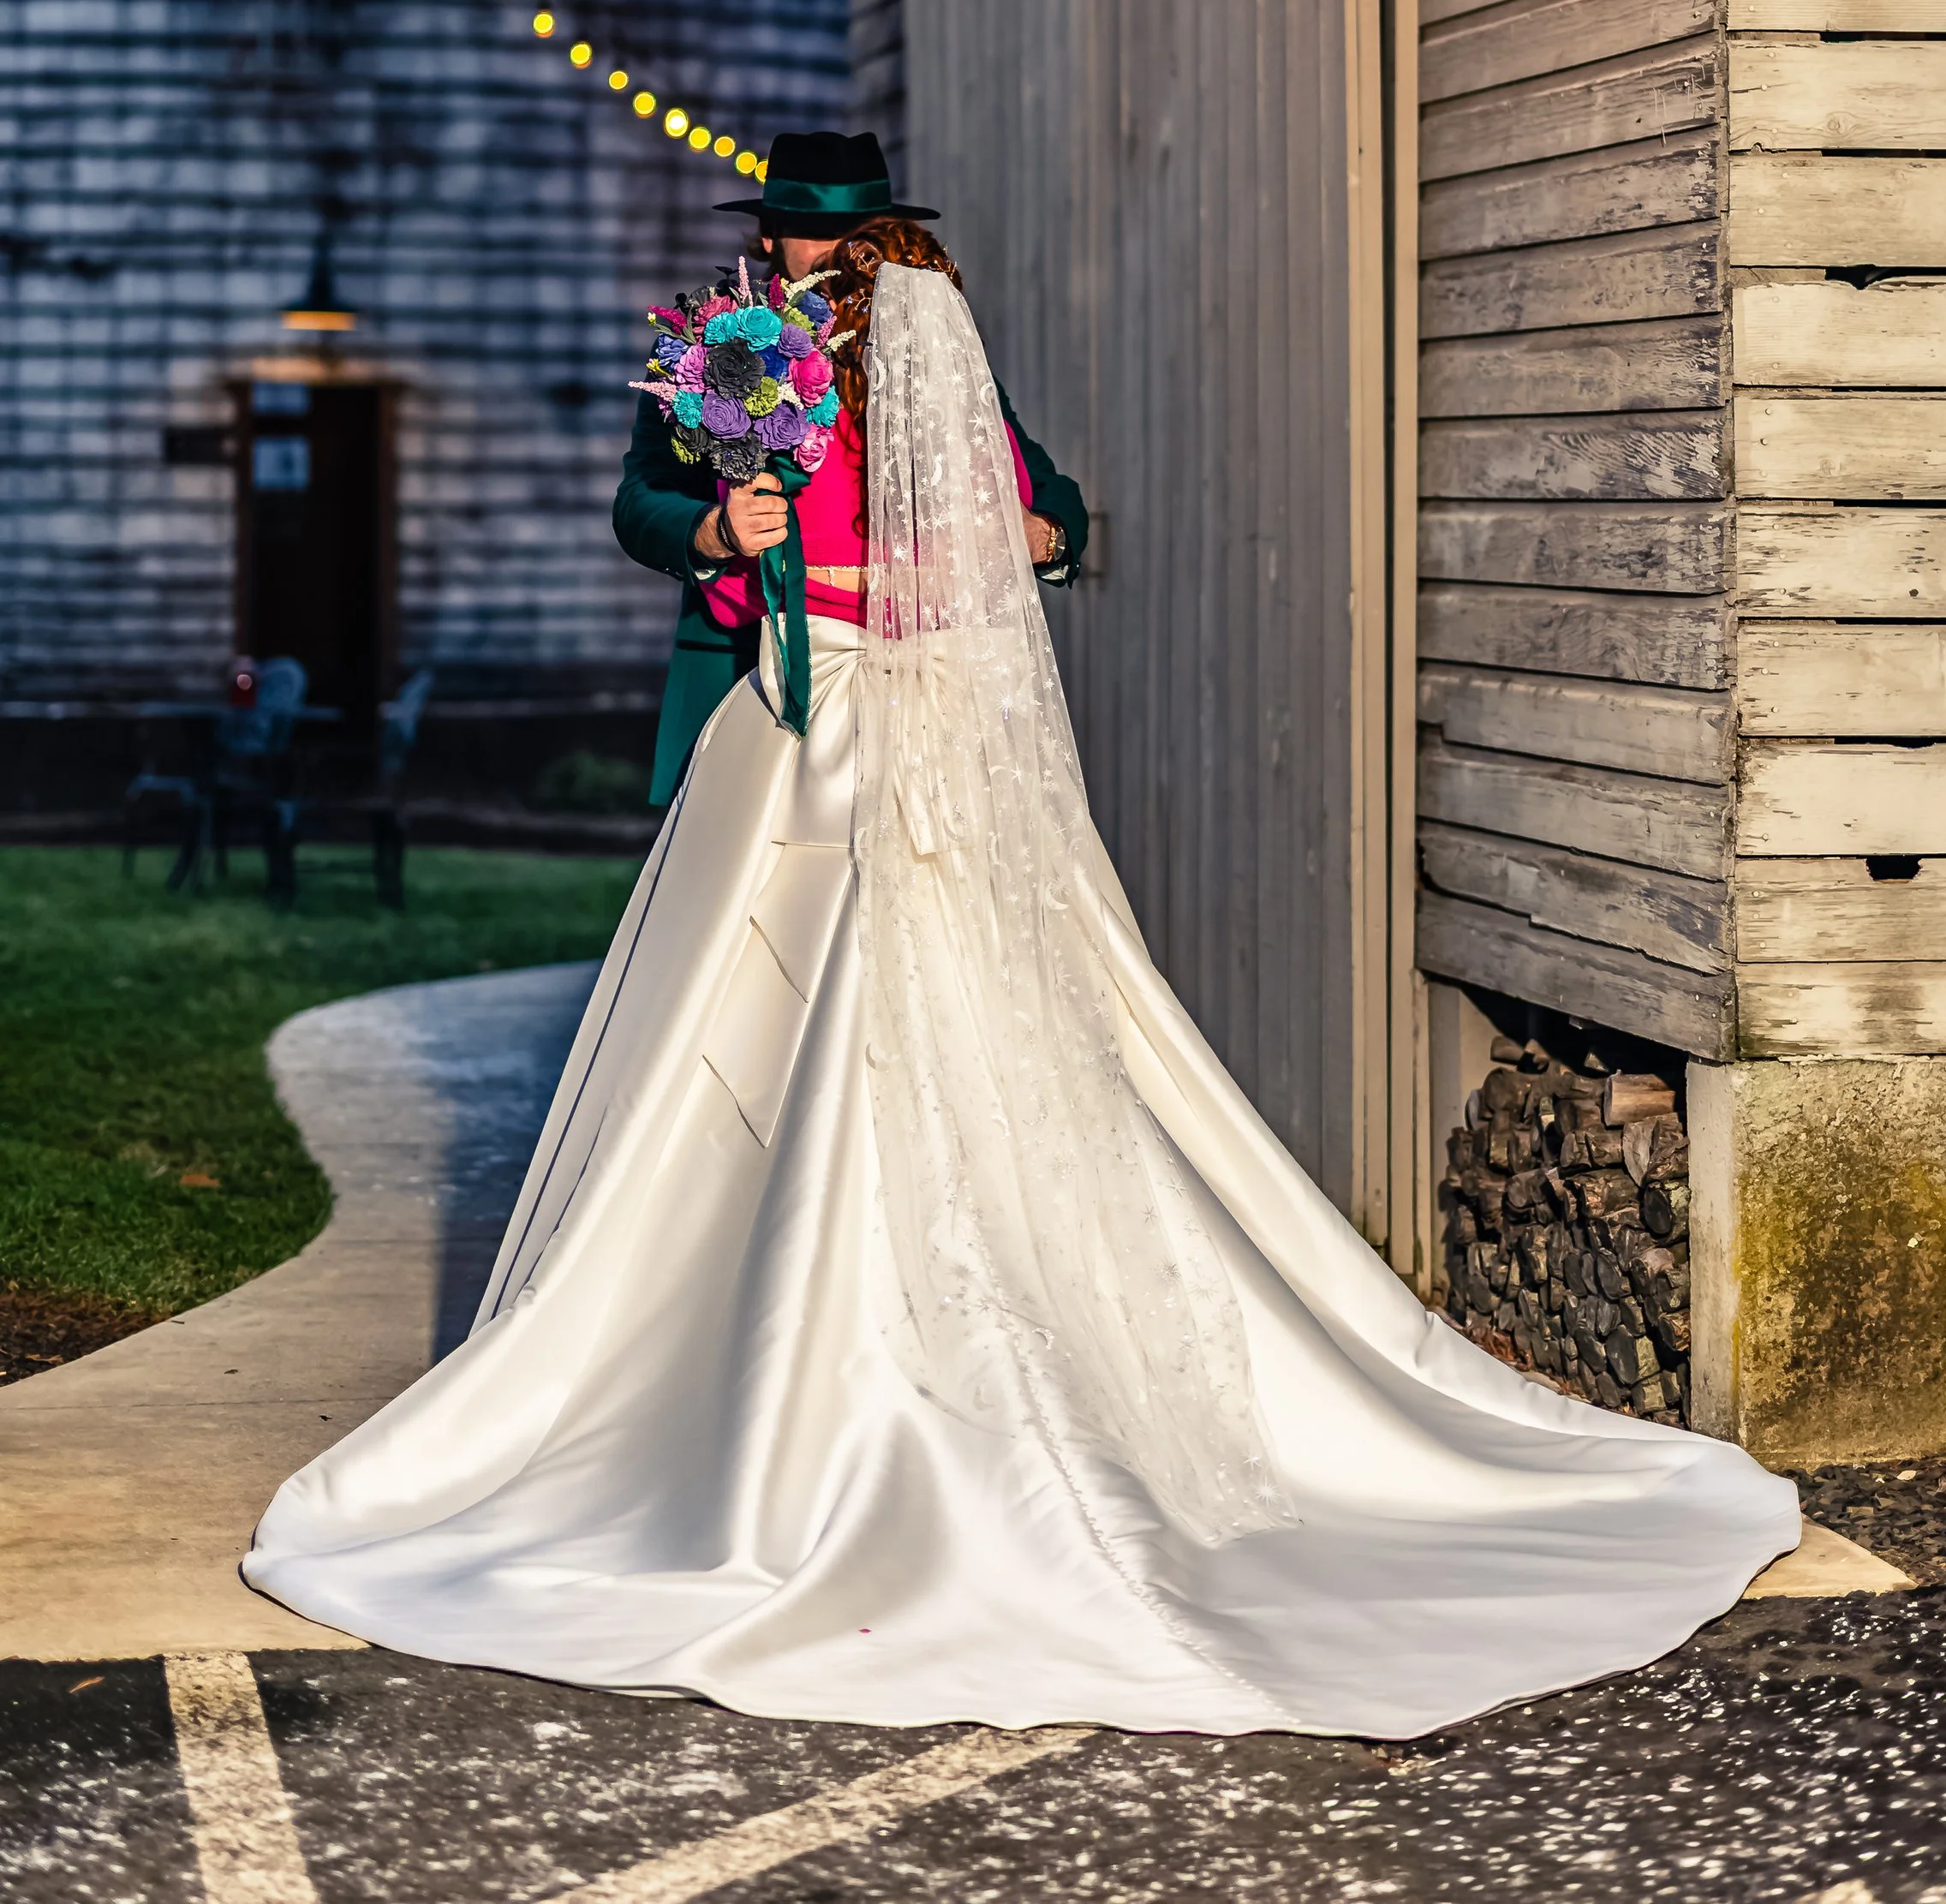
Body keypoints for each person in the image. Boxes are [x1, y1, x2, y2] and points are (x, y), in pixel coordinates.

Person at [243, 170, 1798, 1738]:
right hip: (854, 707)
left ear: (857, 267)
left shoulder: (892, 383)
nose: (820, 267)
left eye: (838, 247)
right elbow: (667, 507)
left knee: (794, 1016)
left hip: (829, 726)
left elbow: (1037, 507)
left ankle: (799, 1364)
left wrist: (1025, 531)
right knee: (792, 1025)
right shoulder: (753, 366)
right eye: (803, 238)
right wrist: (735, 517)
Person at [612, 132, 1088, 807]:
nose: (834, 249)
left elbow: (1043, 484)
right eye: (813, 230)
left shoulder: (924, 344)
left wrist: (1045, 536)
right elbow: (638, 501)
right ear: (770, 233)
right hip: (755, 673)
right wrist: (715, 531)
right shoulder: (707, 345)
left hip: (926, 686)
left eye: (853, 230)